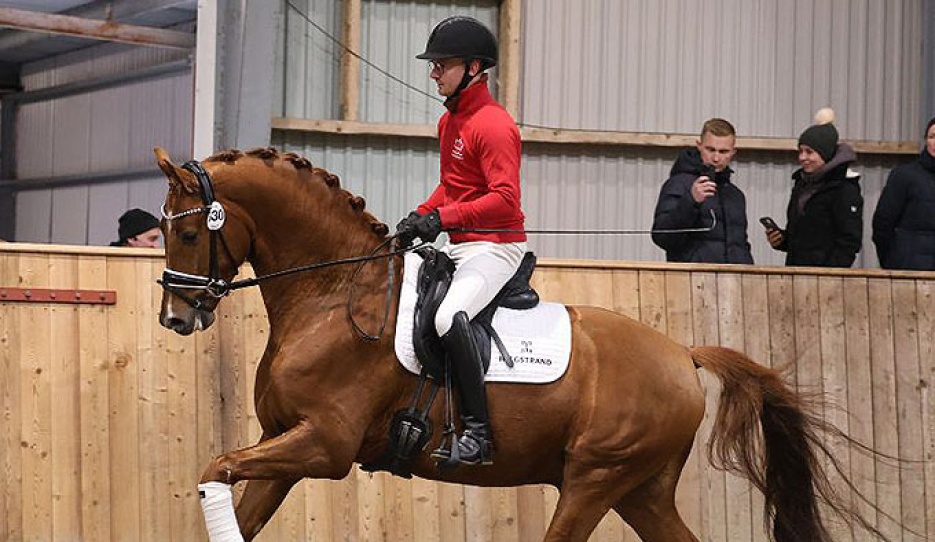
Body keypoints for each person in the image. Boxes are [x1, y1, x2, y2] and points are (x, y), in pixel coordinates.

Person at [395, 15, 526, 466]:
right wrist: (422, 214)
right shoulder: (449, 122)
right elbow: (453, 185)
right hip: (460, 243)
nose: (433, 73)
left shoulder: (494, 125)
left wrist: (443, 217)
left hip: (496, 246)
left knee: (449, 317)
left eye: (441, 65)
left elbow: (504, 199)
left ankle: (479, 433)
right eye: (433, 65)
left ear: (473, 68)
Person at [764, 108, 863, 267]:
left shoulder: (844, 188)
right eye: (800, 151)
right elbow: (800, 236)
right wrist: (782, 240)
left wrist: (830, 274)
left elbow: (849, 241)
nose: (802, 157)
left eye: (809, 152)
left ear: (825, 154)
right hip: (796, 271)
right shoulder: (801, 184)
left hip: (825, 275)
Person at [651, 118, 753, 263]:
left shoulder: (735, 195)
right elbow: (662, 237)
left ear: (733, 152)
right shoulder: (679, 185)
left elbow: (740, 244)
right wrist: (690, 201)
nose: (716, 158)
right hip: (693, 274)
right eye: (710, 150)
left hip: (734, 275)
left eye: (723, 151)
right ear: (699, 146)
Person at [872, 116, 935, 270]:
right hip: (910, 270)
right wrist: (893, 261)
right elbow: (883, 224)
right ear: (926, 141)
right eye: (932, 136)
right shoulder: (904, 176)